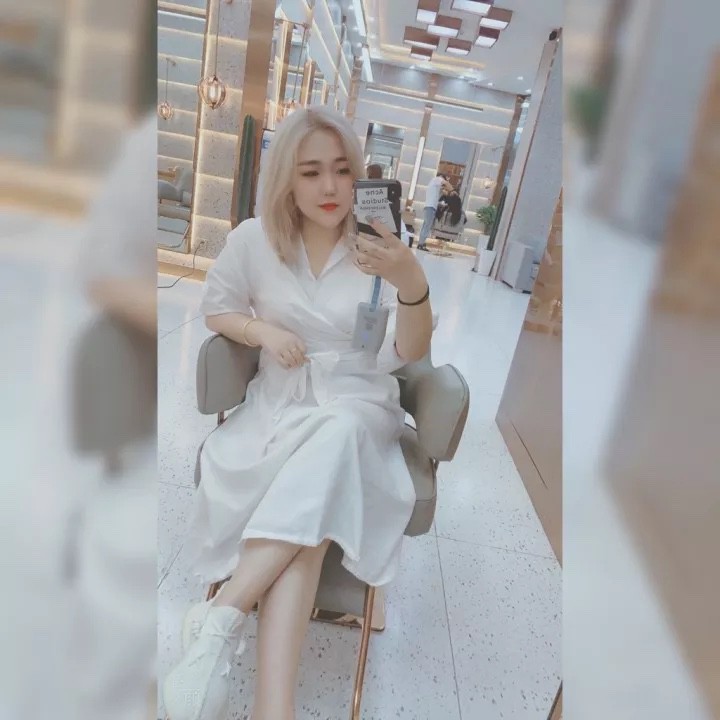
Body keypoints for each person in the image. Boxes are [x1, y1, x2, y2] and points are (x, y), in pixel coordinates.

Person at [161, 106, 433, 720]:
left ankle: (222, 613)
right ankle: (273, 708)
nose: (330, 187)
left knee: (338, 431)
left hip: (358, 403)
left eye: (342, 169)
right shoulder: (253, 239)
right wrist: (260, 331)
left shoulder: (381, 247)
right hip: (280, 405)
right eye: (311, 172)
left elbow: (411, 351)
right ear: (286, 176)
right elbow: (218, 309)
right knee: (307, 529)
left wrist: (412, 281)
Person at [416, 172, 453, 251]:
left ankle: (421, 243)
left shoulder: (434, 184)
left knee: (425, 226)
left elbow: (442, 193)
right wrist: (453, 190)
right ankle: (421, 244)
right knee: (427, 227)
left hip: (429, 207)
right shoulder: (437, 179)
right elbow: (446, 184)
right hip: (430, 208)